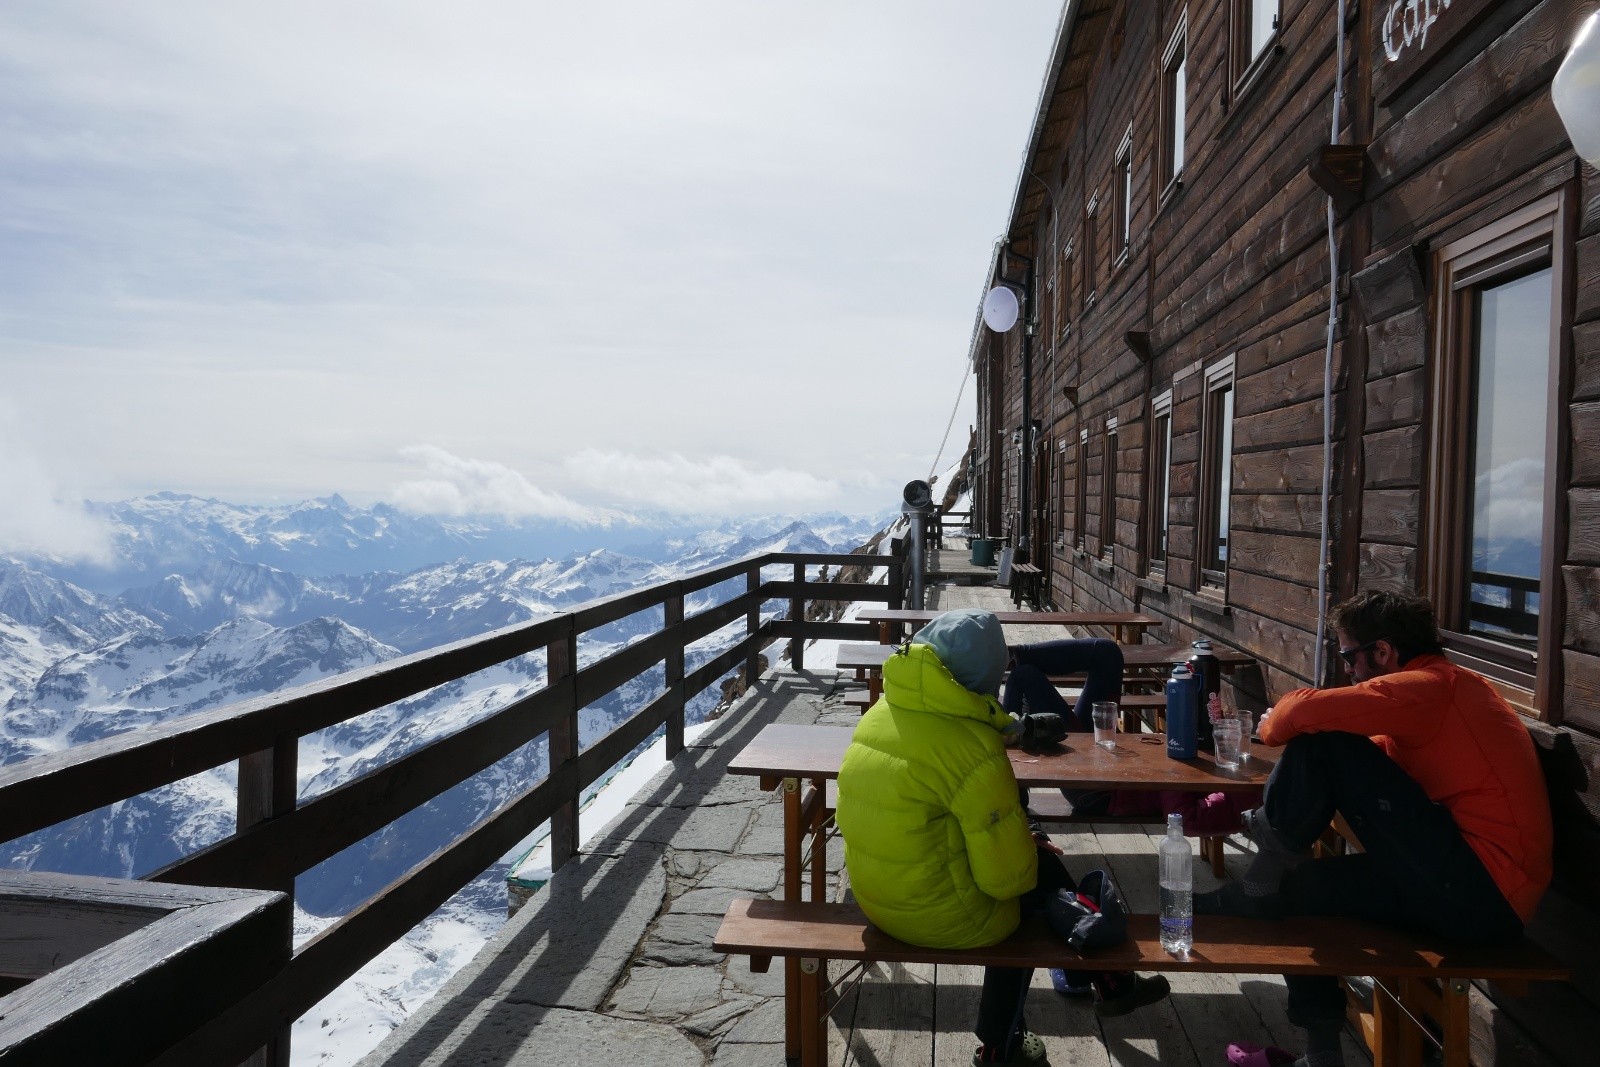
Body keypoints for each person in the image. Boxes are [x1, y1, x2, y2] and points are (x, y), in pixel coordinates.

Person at [1198, 590, 1553, 1067]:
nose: (1347, 670)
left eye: (1349, 657)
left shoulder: (1433, 687)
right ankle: (1322, 1054)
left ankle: (1259, 873)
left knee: (1324, 740)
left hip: (1483, 890)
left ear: (1382, 652)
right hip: (1476, 894)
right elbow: (1382, 757)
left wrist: (1279, 724)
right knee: (1296, 891)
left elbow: (1294, 716)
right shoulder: (1439, 697)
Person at [836, 609, 1169, 1067]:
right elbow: (1006, 881)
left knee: (1035, 865)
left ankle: (1110, 979)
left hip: (876, 900)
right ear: (984, 680)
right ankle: (1002, 1045)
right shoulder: (973, 746)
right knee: (1026, 906)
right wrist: (1025, 846)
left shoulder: (878, 713)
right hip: (932, 916)